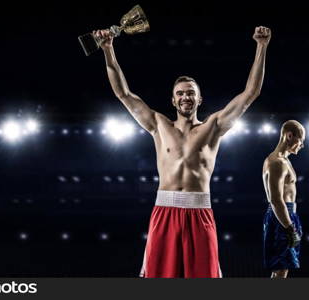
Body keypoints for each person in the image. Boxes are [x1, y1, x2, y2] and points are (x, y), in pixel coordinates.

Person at [94, 26, 271, 278]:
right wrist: (108, 50)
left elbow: (250, 94)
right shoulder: (158, 124)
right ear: (173, 100)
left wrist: (261, 47)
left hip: (200, 212)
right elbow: (123, 94)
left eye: (190, 93)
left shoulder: (214, 126)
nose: (185, 97)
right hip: (164, 212)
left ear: (199, 99)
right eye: (180, 93)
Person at [262, 120, 305, 278]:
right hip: (282, 216)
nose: (302, 145)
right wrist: (289, 228)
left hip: (285, 215)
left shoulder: (283, 161)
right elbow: (275, 199)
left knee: (282, 268)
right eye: (301, 140)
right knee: (281, 268)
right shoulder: (276, 162)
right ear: (289, 136)